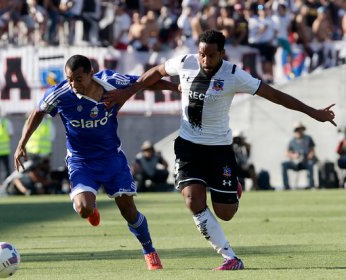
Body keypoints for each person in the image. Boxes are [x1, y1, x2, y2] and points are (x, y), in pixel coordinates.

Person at [103, 29, 336, 270]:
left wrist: (313, 112)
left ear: (222, 54)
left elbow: (273, 94)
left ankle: (234, 187)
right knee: (193, 201)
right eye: (202, 54)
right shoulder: (186, 62)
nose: (205, 60)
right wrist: (127, 93)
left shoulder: (234, 75)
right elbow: (156, 73)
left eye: (211, 55)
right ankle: (230, 258)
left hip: (219, 149)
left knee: (225, 213)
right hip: (188, 146)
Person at [14, 55, 178, 270]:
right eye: (69, 79)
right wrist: (21, 144)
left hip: (111, 159)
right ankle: (92, 209)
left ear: (91, 73)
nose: (73, 84)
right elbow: (38, 112)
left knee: (128, 211)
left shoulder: (111, 81)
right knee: (83, 209)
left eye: (78, 79)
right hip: (80, 161)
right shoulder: (61, 94)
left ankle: (149, 251)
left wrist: (177, 88)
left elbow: (144, 81)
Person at [282, 122, 317, 190]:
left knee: (310, 164)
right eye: (298, 129)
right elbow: (286, 153)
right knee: (284, 164)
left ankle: (311, 186)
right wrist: (293, 155)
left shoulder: (308, 138)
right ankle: (286, 187)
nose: (299, 131)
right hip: (295, 162)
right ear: (295, 130)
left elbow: (312, 150)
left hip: (306, 161)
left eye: (301, 129)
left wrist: (310, 155)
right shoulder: (292, 141)